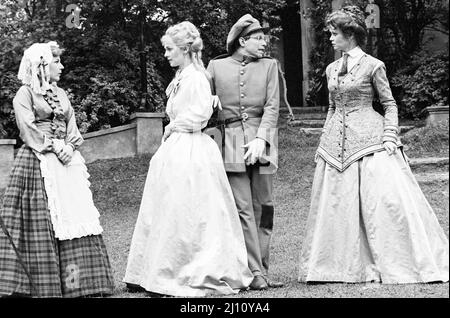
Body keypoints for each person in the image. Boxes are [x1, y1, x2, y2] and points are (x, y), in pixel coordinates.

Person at [298, 6, 449, 284]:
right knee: (335, 204)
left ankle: (392, 261)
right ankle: (336, 267)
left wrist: (390, 135)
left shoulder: (373, 65)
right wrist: (323, 140)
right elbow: (332, 108)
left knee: (384, 202)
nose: (331, 38)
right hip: (336, 146)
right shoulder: (331, 68)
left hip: (370, 140)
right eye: (330, 33)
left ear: (350, 35)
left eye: (334, 33)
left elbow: (390, 104)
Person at [123, 21, 253, 297]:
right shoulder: (182, 75)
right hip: (177, 148)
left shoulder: (195, 77)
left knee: (190, 210)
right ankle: (159, 269)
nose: (166, 54)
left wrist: (173, 126)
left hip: (191, 148)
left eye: (170, 49)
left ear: (184, 49)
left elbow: (200, 114)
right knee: (170, 209)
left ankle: (188, 269)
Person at [0, 42, 115, 297]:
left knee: (74, 215)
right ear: (41, 65)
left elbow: (72, 126)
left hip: (66, 162)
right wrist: (52, 146)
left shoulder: (62, 94)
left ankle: (79, 285)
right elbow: (27, 129)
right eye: (56, 62)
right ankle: (38, 284)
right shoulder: (25, 94)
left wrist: (70, 148)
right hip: (37, 161)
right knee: (42, 221)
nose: (61, 67)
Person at [206, 14, 283, 289]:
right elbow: (200, 104)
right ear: (242, 40)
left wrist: (262, 138)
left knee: (265, 206)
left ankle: (263, 267)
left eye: (265, 38)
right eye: (258, 38)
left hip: (264, 143)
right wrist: (209, 100)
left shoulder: (270, 66)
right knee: (242, 209)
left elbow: (273, 107)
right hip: (229, 143)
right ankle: (254, 272)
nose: (264, 43)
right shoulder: (215, 66)